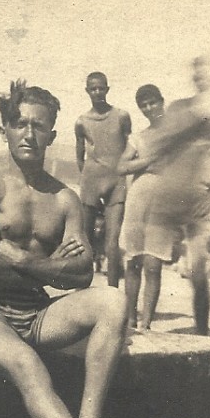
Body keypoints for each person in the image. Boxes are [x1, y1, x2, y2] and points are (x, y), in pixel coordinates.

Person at [0, 80, 130, 418]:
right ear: (5, 129)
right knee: (25, 362)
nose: (28, 134)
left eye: (38, 126)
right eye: (19, 124)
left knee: (114, 302)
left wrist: (25, 259)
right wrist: (52, 266)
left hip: (36, 312)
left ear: (52, 134)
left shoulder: (65, 199)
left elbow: (82, 274)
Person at [139, 56, 210, 335]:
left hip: (193, 204)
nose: (202, 79)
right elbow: (158, 142)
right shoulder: (180, 109)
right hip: (165, 197)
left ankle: (202, 334)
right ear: (193, 77)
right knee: (151, 265)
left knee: (199, 275)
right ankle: (144, 327)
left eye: (208, 74)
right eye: (198, 74)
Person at [116, 84, 169, 330]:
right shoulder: (139, 137)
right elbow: (121, 166)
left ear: (162, 101)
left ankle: (146, 324)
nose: (149, 109)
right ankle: (129, 319)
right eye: (144, 106)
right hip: (138, 200)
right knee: (133, 261)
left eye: (152, 103)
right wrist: (149, 161)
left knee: (153, 264)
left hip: (164, 204)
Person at [74, 72, 131, 287]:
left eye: (101, 88)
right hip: (91, 181)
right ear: (87, 91)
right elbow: (79, 156)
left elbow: (129, 148)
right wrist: (89, 178)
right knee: (86, 240)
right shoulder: (81, 121)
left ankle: (113, 294)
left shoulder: (121, 116)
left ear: (107, 89)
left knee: (111, 244)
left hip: (116, 183)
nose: (97, 92)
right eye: (93, 89)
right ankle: (82, 291)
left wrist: (119, 174)